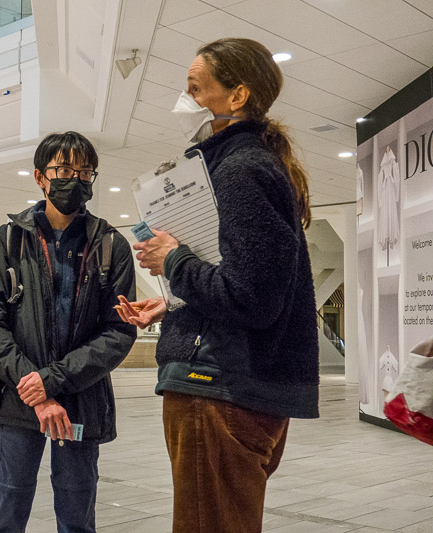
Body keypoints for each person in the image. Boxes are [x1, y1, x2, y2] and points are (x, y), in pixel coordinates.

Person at [116, 38, 319, 533]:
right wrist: (174, 306)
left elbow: (253, 298)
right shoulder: (243, 166)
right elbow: (250, 280)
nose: (186, 102)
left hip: (219, 389)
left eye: (195, 88)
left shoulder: (240, 170)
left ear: (237, 96)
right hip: (230, 386)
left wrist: (174, 259)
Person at [0, 131, 137, 533]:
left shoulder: (111, 245)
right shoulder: (8, 241)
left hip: (81, 400)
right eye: (63, 169)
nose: (74, 180)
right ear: (40, 177)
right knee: (6, 510)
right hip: (17, 401)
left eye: (84, 172)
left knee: (78, 514)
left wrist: (52, 382)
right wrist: (34, 386)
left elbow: (118, 332)